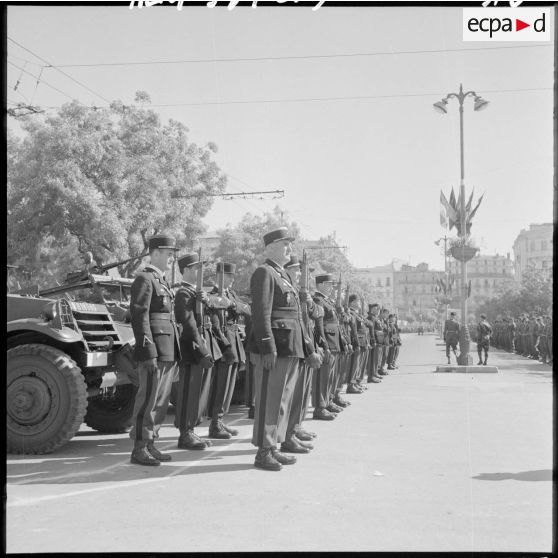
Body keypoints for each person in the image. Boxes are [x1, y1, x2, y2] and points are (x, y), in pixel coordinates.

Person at [246, 228, 320, 471]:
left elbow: (297, 318)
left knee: (282, 402)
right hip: (275, 348)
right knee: (269, 401)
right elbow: (261, 314)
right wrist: (267, 347)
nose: (289, 248)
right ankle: (263, 451)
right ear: (269, 248)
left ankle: (273, 447)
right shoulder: (264, 273)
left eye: (289, 244)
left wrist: (307, 348)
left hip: (289, 347)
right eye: (283, 244)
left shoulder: (283, 276)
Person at [129, 234, 180, 466]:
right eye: (169, 254)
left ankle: (151, 443)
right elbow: (140, 318)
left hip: (167, 348)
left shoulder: (161, 281)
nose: (171, 259)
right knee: (147, 400)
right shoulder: (144, 278)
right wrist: (148, 351)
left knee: (160, 402)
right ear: (156, 252)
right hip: (155, 350)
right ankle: (139, 448)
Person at [173, 252, 220, 450]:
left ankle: (191, 430)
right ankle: (185, 433)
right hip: (192, 348)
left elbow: (212, 316)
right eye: (195, 269)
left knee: (199, 392)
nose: (199, 272)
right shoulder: (183, 293)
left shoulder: (195, 293)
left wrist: (206, 301)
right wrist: (202, 351)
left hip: (200, 345)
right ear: (185, 270)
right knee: (188, 392)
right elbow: (189, 324)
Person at [281, 254, 322, 454]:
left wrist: (310, 302)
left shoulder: (301, 292)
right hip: (299, 345)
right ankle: (288, 434)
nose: (299, 274)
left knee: (302, 394)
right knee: (294, 394)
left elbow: (316, 314)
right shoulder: (288, 290)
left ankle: (295, 428)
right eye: (297, 270)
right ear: (287, 269)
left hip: (306, 344)